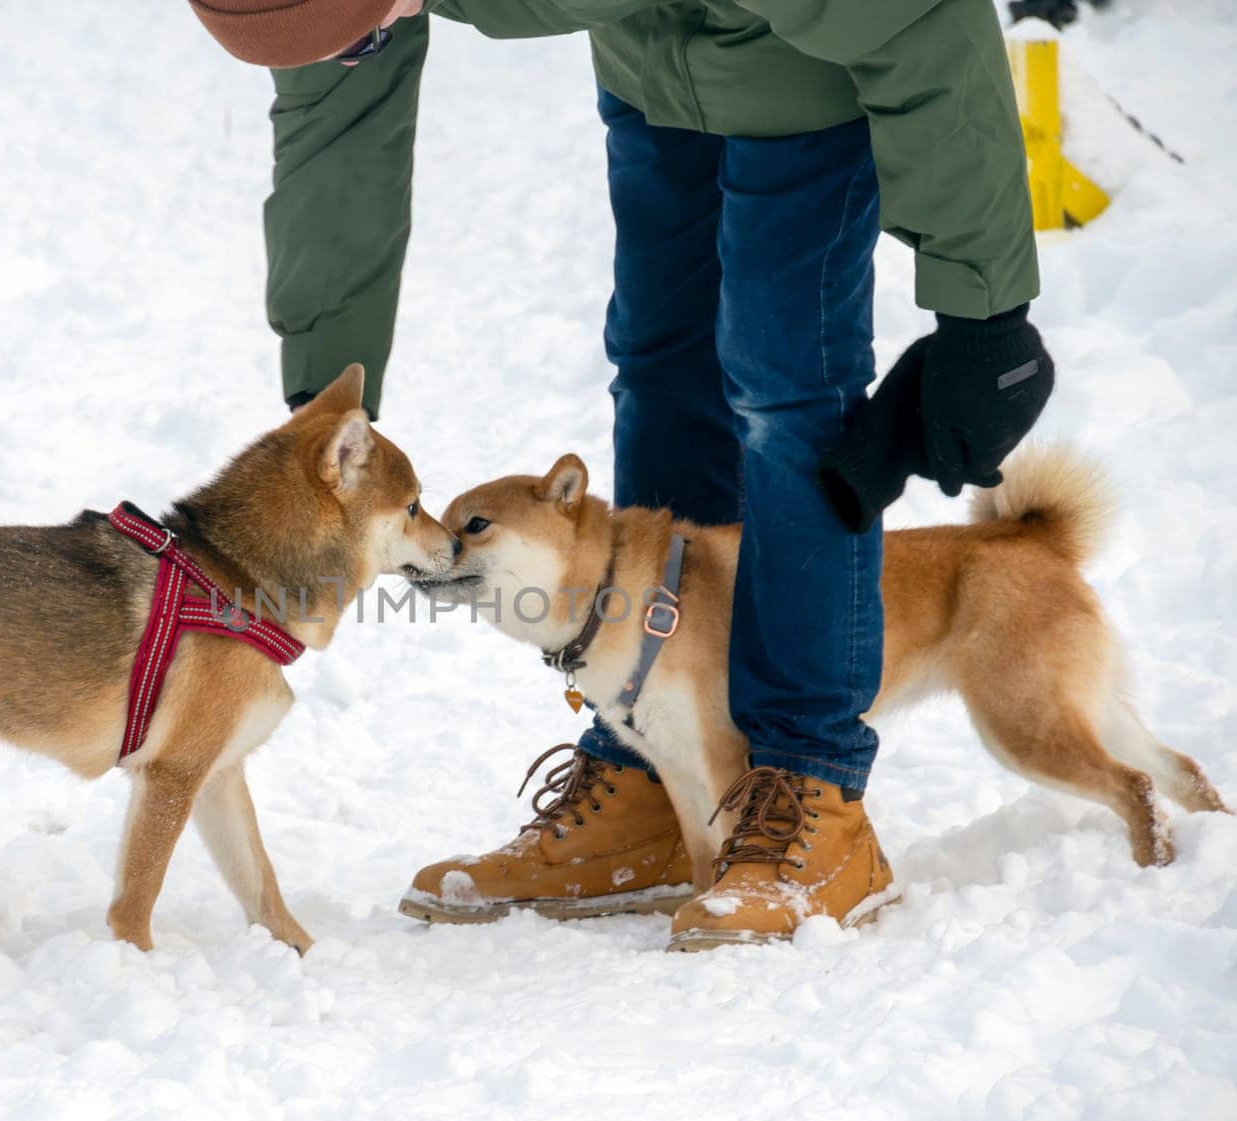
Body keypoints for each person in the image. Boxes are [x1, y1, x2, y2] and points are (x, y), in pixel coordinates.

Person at [189, 0, 1054, 945]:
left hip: (809, 68)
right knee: (659, 367)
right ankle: (656, 773)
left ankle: (814, 795)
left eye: (371, 25)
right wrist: (326, 415)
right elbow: (335, 111)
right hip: (653, 65)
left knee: (786, 393)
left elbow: (918, 17)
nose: (365, 49)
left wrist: (986, 309)